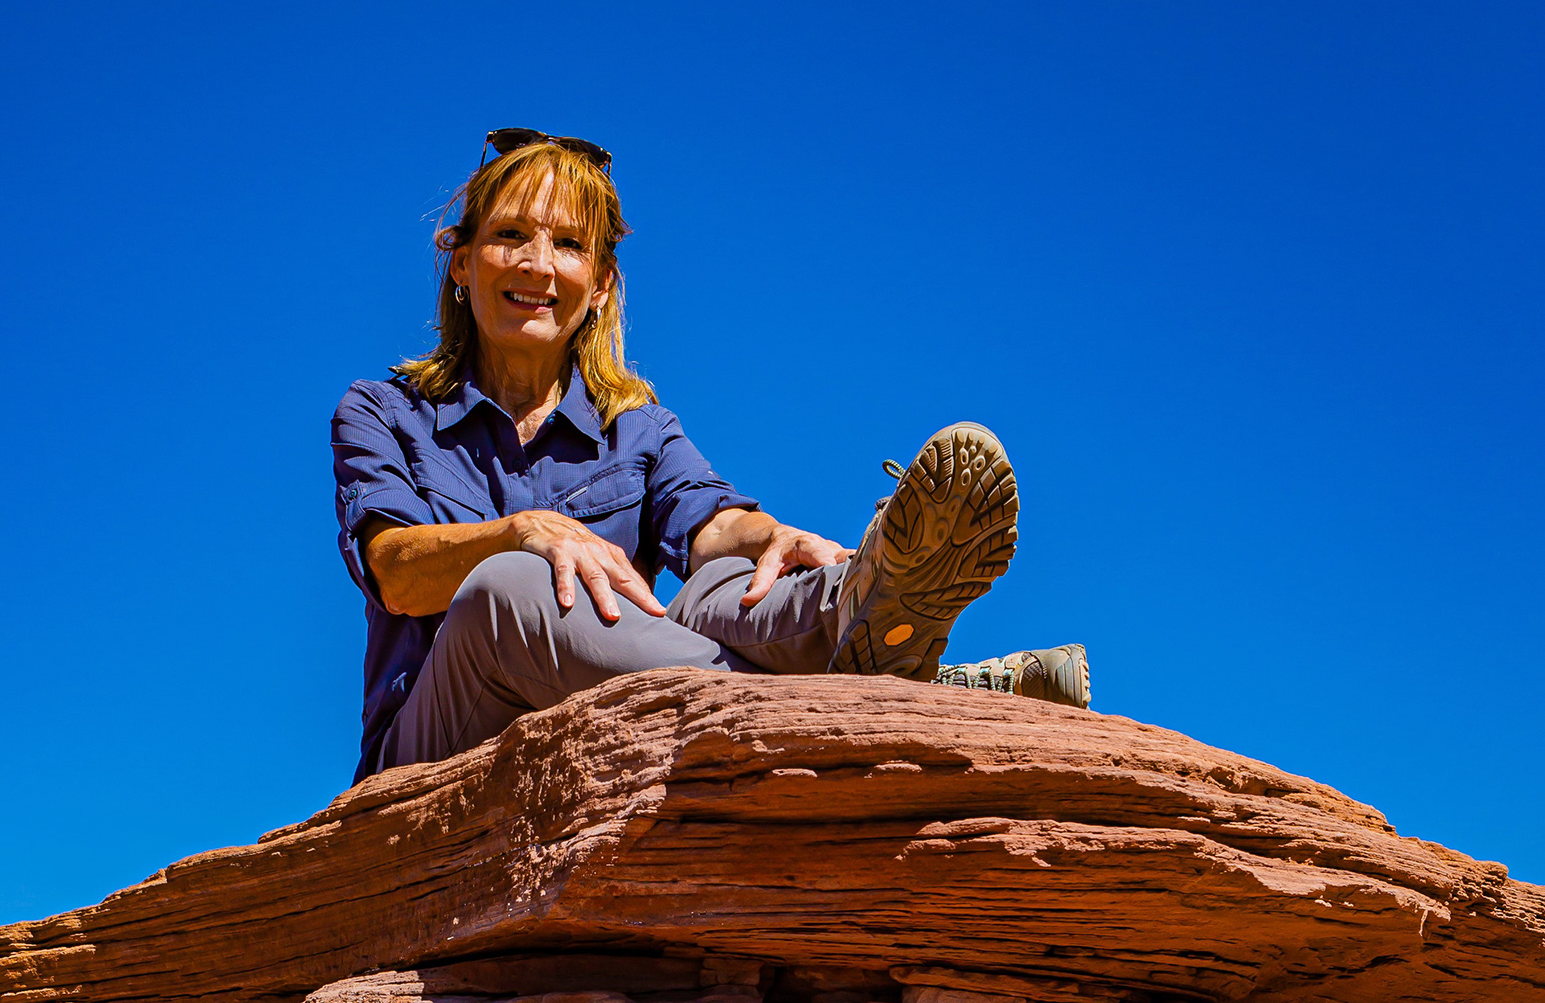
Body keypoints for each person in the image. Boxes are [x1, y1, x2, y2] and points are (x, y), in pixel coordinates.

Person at [333, 131, 1087, 783]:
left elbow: (710, 525)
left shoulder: (639, 428)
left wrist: (775, 539)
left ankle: (861, 603)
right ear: (461, 263)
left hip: (617, 722)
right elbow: (397, 572)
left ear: (599, 286)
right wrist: (522, 529)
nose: (536, 264)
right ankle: (882, 697)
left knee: (721, 582)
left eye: (567, 244)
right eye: (509, 237)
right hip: (437, 749)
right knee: (508, 588)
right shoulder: (384, 412)